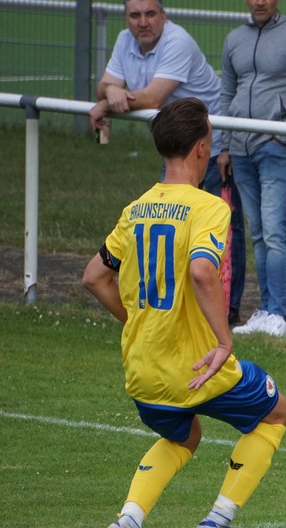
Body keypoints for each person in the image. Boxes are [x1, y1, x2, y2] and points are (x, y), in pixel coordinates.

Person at [83, 97, 286, 528]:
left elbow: (94, 276)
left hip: (142, 370)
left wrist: (136, 320)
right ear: (202, 148)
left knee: (183, 435)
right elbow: (202, 271)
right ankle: (219, 521)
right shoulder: (208, 208)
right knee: (274, 413)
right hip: (198, 367)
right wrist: (224, 340)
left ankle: (127, 524)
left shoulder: (136, 209)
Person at [88, 0, 247, 328]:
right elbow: (105, 84)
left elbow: (153, 98)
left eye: (150, 14)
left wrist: (110, 100)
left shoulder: (178, 41)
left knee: (223, 230)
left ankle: (226, 312)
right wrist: (111, 93)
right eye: (134, 15)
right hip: (175, 148)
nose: (142, 22)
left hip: (209, 147)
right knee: (175, 226)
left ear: (164, 15)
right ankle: (171, 303)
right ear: (126, 19)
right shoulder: (124, 40)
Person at [220, 0, 286, 338]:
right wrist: (223, 144)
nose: (259, 1)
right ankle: (264, 310)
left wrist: (283, 133)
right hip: (239, 149)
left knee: (275, 230)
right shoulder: (234, 39)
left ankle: (278, 313)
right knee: (258, 232)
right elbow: (226, 93)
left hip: (276, 149)